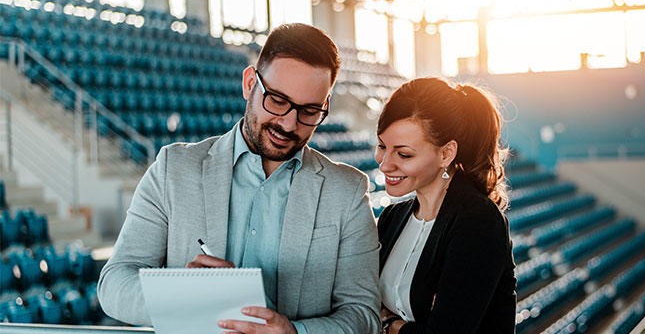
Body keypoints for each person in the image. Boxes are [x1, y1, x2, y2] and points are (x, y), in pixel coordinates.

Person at [97, 23, 381, 334]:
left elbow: (363, 315)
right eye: (277, 100)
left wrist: (296, 332)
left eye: (309, 111)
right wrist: (183, 293)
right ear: (249, 83)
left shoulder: (348, 192)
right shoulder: (173, 169)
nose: (289, 124)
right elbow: (114, 285)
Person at [374, 77, 517, 334]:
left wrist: (393, 326)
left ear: (446, 153)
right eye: (382, 146)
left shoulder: (478, 220)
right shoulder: (392, 217)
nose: (384, 164)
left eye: (404, 154)